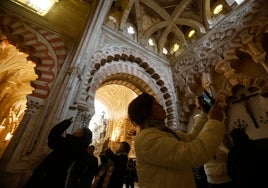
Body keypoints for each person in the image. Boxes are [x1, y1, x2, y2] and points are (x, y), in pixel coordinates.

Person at [127, 92, 225, 188]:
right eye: (155, 104)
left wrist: (204, 114)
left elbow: (190, 139)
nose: (161, 106)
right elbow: (192, 154)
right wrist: (214, 122)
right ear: (147, 112)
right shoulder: (147, 139)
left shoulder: (160, 132)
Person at [24, 117, 93, 188]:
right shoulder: (80, 148)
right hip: (60, 174)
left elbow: (53, 139)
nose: (75, 131)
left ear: (80, 134)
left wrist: (65, 123)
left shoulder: (71, 144)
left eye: (78, 130)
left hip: (49, 173)